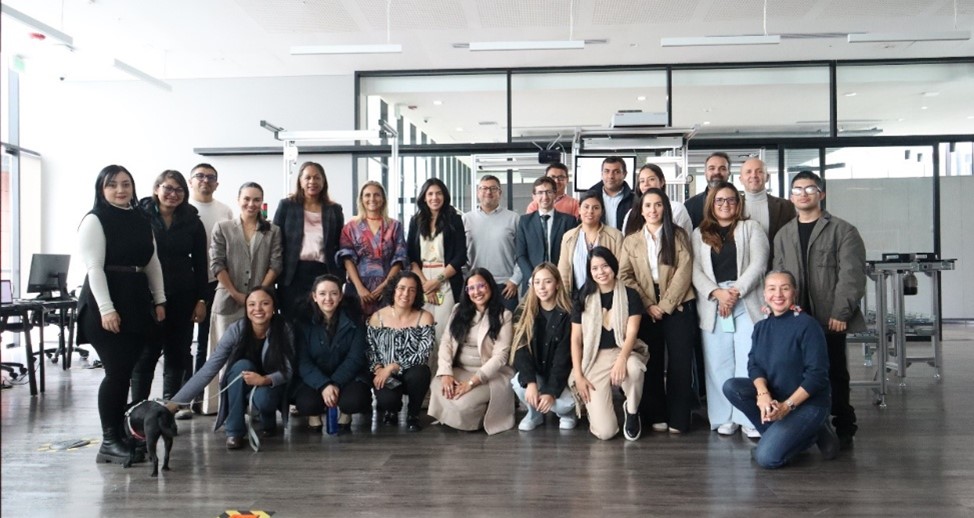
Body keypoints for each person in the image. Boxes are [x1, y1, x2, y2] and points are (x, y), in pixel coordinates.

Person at [77, 165, 166, 464]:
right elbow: (94, 269)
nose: (120, 190)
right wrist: (106, 309)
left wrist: (160, 299)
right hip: (105, 303)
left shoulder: (141, 217)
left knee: (126, 372)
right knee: (116, 374)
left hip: (135, 301)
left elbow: (152, 262)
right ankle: (109, 441)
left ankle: (121, 433)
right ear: (101, 189)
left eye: (126, 184)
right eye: (112, 184)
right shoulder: (95, 219)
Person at [773, 171, 866, 449]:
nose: (803, 194)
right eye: (797, 189)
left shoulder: (843, 231)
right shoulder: (783, 234)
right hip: (796, 318)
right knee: (800, 374)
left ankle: (844, 425)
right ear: (791, 197)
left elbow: (851, 275)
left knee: (834, 372)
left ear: (821, 194)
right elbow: (779, 275)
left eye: (810, 189)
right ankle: (813, 425)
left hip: (830, 317)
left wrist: (841, 312)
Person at [723, 271, 840, 468]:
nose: (778, 294)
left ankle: (812, 432)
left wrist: (786, 407)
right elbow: (754, 365)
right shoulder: (761, 327)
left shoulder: (808, 326)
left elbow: (817, 377)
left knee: (765, 458)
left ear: (794, 292)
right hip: (777, 399)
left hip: (808, 403)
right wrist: (763, 394)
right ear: (765, 294)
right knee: (732, 387)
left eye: (785, 288)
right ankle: (785, 435)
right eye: (772, 289)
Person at [169, 287, 294, 450]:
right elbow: (208, 369)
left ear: (274, 307)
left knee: (264, 399)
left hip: (271, 385)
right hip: (241, 382)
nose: (258, 309)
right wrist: (175, 403)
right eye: (252, 304)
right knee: (241, 366)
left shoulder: (284, 329)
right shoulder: (236, 329)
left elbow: (288, 370)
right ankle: (234, 432)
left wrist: (264, 380)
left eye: (265, 303)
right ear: (246, 308)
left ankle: (267, 417)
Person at [690, 182, 769, 438]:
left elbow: (759, 264)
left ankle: (748, 417)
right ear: (711, 204)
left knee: (748, 360)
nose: (725, 204)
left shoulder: (751, 228)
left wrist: (734, 293)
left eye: (731, 200)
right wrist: (717, 293)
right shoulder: (699, 233)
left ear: (739, 203)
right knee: (717, 363)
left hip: (745, 299)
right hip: (713, 303)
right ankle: (724, 417)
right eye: (720, 200)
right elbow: (694, 270)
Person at [131, 171, 208, 418]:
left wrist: (201, 299)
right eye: (168, 188)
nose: (173, 194)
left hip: (183, 294)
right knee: (147, 353)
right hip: (147, 295)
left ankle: (169, 408)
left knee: (178, 353)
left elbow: (201, 264)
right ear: (157, 189)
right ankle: (137, 409)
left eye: (179, 190)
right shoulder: (139, 216)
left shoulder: (192, 220)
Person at [618, 189, 696, 434]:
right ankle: (656, 414)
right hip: (646, 305)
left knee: (680, 363)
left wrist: (665, 305)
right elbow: (625, 275)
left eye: (658, 205)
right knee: (651, 361)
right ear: (640, 211)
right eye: (648, 205)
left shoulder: (678, 235)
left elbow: (685, 271)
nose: (653, 210)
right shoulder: (631, 240)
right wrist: (648, 304)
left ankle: (679, 418)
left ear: (665, 208)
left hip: (678, 303)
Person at [203, 182, 282, 414]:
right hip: (228, 300)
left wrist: (257, 295)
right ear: (238, 200)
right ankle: (222, 407)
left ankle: (253, 407)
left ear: (262, 202)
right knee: (224, 357)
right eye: (247, 199)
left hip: (261, 304)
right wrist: (236, 293)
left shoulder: (273, 230)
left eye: (256, 199)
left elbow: (276, 264)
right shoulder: (223, 227)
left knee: (256, 357)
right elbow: (217, 264)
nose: (251, 204)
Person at [570, 247, 649, 441]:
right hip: (595, 357)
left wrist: (622, 359)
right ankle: (597, 411)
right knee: (606, 432)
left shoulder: (630, 294)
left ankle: (632, 410)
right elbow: (576, 339)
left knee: (635, 368)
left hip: (624, 350)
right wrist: (578, 375)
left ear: (613, 265)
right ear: (589, 271)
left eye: (605, 266)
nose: (601, 272)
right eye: (595, 268)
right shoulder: (582, 297)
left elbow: (632, 333)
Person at [428, 268, 515, 435]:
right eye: (471, 288)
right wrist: (446, 374)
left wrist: (471, 384)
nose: (477, 292)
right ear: (466, 291)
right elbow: (446, 342)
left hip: (488, 375)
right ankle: (460, 415)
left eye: (481, 286)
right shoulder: (458, 310)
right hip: (461, 370)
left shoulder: (504, 315)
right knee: (437, 384)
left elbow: (500, 356)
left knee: (462, 403)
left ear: (490, 286)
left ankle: (477, 418)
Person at [292, 274, 372, 433]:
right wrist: (323, 384)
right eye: (322, 294)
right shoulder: (302, 323)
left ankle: (346, 415)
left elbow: (355, 359)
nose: (328, 298)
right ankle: (314, 416)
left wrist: (334, 383)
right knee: (307, 404)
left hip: (348, 378)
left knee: (353, 401)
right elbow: (303, 362)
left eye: (333, 293)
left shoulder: (355, 320)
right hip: (314, 378)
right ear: (314, 296)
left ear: (341, 296)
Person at [186, 163, 233, 413]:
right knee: (183, 344)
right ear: (190, 181)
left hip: (215, 283)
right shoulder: (183, 209)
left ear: (217, 183)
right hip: (185, 282)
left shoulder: (225, 211)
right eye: (200, 176)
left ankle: (203, 397)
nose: (205, 180)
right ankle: (183, 396)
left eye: (210, 177)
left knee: (208, 342)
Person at [273, 161, 345, 319]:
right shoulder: (287, 205)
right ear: (300, 181)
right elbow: (275, 240)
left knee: (320, 319)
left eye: (317, 178)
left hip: (323, 272)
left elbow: (339, 244)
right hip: (293, 273)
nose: (312, 182)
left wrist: (340, 275)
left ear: (323, 181)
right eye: (308, 178)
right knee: (291, 321)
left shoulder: (334, 209)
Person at [510, 263, 576, 431]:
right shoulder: (523, 312)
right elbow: (520, 351)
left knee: (564, 404)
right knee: (519, 384)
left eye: (547, 282)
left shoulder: (568, 314)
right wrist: (531, 382)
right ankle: (534, 414)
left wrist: (551, 391)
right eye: (537, 282)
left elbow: (563, 358)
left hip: (561, 377)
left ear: (557, 284)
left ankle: (568, 414)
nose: (542, 287)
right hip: (538, 373)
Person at [366, 271, 435, 432]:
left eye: (412, 290)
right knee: (388, 400)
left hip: (412, 372)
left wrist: (393, 366)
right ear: (393, 289)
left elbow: (424, 353)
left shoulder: (425, 317)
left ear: (417, 294)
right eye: (401, 288)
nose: (406, 294)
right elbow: (370, 349)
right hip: (385, 373)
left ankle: (413, 414)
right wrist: (379, 369)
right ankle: (391, 410)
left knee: (421, 372)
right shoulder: (377, 317)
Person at [406, 178, 467, 344]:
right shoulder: (415, 221)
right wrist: (426, 285)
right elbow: (411, 256)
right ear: (424, 197)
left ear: (444, 196)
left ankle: (444, 362)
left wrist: (437, 281)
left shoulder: (454, 219)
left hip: (446, 278)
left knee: (444, 329)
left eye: (439, 193)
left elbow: (460, 256)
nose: (435, 197)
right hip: (421, 279)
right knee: (421, 329)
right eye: (430, 194)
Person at [336, 181, 408, 318]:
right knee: (356, 326)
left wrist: (386, 285)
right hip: (358, 287)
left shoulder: (395, 226)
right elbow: (347, 258)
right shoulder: (350, 227)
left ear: (383, 199)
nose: (372, 199)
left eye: (376, 195)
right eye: (367, 195)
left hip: (388, 287)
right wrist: (359, 288)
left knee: (386, 325)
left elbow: (400, 258)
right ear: (361, 199)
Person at [463, 175, 521, 311]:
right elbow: (460, 253)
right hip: (476, 286)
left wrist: (515, 280)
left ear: (500, 193)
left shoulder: (514, 219)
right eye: (484, 188)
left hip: (506, 286)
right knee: (477, 324)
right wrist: (467, 279)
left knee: (507, 324)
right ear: (478, 192)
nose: (488, 192)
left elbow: (522, 252)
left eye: (493, 188)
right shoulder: (466, 219)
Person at [557, 190, 624, 299]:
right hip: (577, 297)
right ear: (579, 209)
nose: (590, 211)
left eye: (596, 208)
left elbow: (621, 269)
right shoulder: (568, 237)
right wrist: (565, 299)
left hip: (608, 296)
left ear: (602, 211)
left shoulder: (615, 236)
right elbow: (564, 271)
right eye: (586, 207)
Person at [515, 176, 576, 294]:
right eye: (540, 193)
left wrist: (560, 278)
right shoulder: (525, 222)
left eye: (549, 192)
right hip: (532, 285)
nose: (545, 197)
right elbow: (520, 255)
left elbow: (572, 254)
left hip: (561, 283)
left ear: (555, 194)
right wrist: (534, 279)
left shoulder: (569, 221)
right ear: (534, 196)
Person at [739, 158, 795, 268]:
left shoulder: (786, 206)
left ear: (767, 177)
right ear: (741, 179)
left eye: (759, 171)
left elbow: (792, 241)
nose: (754, 175)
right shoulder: (732, 206)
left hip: (776, 268)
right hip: (741, 269)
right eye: (748, 172)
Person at [622, 163, 692, 236]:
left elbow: (685, 239)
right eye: (642, 181)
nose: (646, 184)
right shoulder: (631, 213)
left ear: (662, 182)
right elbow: (626, 240)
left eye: (651, 179)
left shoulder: (676, 209)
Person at [685, 152, 731, 229]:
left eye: (722, 168)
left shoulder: (741, 204)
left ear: (728, 173)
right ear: (705, 173)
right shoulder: (690, 205)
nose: (717, 172)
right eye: (712, 168)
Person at [590, 157, 635, 231]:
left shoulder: (634, 201)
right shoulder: (590, 198)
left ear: (624, 174)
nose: (610, 176)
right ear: (602, 174)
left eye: (616, 172)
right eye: (606, 171)